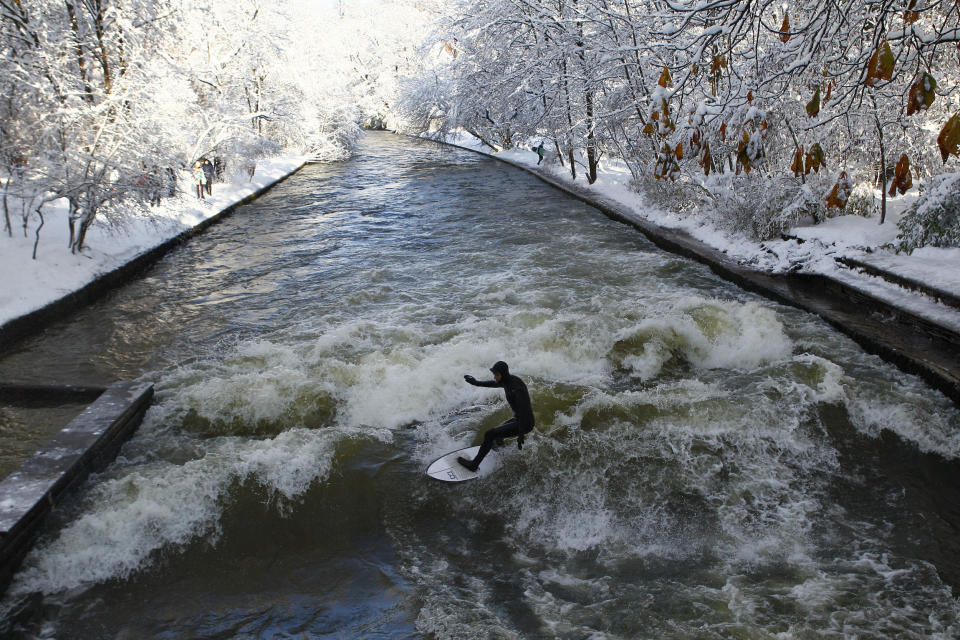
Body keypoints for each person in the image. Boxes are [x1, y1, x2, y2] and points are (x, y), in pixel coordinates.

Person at [458, 361, 535, 472]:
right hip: (519, 419)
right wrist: (475, 382)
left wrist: (521, 434)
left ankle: (473, 465)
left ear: (503, 374)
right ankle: (501, 453)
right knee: (497, 436)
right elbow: (492, 383)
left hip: (525, 422)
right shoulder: (506, 381)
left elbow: (524, 410)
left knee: (489, 434)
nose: (494, 377)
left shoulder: (516, 387)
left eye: (496, 374)